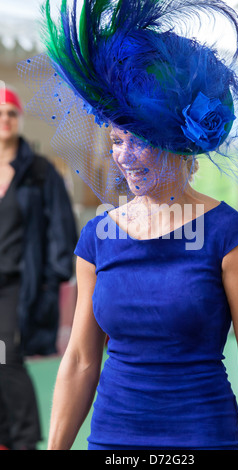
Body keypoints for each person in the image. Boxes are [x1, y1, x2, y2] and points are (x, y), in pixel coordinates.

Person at [21, 0, 238, 450]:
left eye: (138, 141)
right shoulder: (98, 238)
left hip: (203, 439)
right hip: (112, 440)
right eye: (117, 140)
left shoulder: (229, 236)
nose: (123, 156)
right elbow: (81, 358)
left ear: (175, 143)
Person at [0, 86, 78, 450]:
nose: (5, 119)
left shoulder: (38, 171)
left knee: (6, 356)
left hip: (19, 282)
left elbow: (62, 227)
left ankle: (25, 438)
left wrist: (54, 278)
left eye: (11, 113)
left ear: (20, 120)